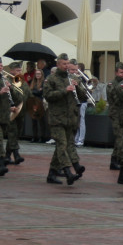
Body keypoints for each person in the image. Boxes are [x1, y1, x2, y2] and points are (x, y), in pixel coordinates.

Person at [43, 53, 87, 185]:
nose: (66, 66)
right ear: (58, 64)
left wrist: (78, 87)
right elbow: (48, 95)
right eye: (64, 64)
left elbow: (83, 97)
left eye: (68, 64)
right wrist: (64, 90)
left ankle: (52, 174)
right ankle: (68, 172)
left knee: (67, 145)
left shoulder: (73, 77)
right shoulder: (51, 79)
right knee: (62, 145)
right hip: (57, 118)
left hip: (70, 118)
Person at [3, 61, 27, 166]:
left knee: (17, 134)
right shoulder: (6, 79)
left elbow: (24, 93)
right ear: (11, 70)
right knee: (12, 132)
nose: (19, 72)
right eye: (17, 70)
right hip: (10, 110)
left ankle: (7, 156)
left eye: (20, 70)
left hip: (20, 109)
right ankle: (16, 155)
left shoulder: (19, 80)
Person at [107, 62, 123, 171]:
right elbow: (115, 98)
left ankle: (115, 160)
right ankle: (118, 160)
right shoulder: (112, 84)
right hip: (116, 114)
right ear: (116, 73)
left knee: (122, 138)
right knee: (120, 138)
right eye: (121, 72)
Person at [72, 60, 87, 147]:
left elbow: (85, 90)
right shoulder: (75, 77)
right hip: (77, 102)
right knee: (77, 121)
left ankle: (81, 139)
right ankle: (76, 139)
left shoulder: (83, 78)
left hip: (83, 102)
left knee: (81, 121)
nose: (75, 71)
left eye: (77, 69)